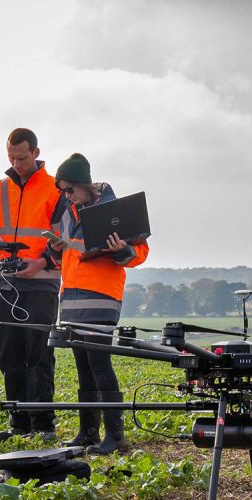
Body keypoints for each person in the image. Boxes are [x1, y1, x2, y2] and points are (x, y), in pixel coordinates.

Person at [50, 153, 149, 454]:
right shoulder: (69, 213)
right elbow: (67, 257)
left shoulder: (115, 210)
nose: (67, 196)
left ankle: (115, 436)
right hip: (71, 299)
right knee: (83, 365)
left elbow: (140, 252)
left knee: (99, 364)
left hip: (101, 299)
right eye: (63, 191)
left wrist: (122, 250)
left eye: (69, 189)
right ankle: (88, 433)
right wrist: (55, 249)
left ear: (84, 185)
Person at [0, 128, 68, 442]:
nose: (16, 163)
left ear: (36, 152)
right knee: (8, 354)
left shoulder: (56, 189)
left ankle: (43, 424)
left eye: (21, 157)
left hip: (41, 282)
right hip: (5, 279)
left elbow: (64, 238)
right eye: (11, 157)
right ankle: (18, 424)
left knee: (39, 353)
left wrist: (42, 262)